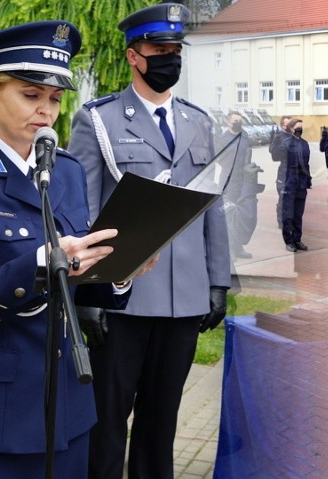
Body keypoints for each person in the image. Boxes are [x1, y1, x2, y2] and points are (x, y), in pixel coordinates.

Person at [0, 21, 137, 478]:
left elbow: (78, 288)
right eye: (31, 95)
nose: (46, 111)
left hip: (69, 406)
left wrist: (120, 270)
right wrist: (43, 260)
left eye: (55, 99)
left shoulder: (69, 172)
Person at [67, 4, 231, 478]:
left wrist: (216, 281)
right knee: (108, 417)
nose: (169, 60)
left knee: (163, 419)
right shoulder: (99, 120)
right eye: (160, 50)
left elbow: (211, 204)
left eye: (175, 51)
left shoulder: (198, 121)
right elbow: (83, 212)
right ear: (134, 56)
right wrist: (87, 294)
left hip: (184, 300)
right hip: (123, 299)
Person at [217, 111, 260, 260]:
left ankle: (238, 247)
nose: (238, 123)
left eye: (240, 121)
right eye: (235, 121)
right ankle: (229, 250)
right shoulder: (222, 139)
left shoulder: (245, 136)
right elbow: (219, 159)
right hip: (229, 181)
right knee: (229, 216)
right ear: (228, 122)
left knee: (241, 213)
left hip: (243, 180)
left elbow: (248, 155)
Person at [277, 118, 312, 252]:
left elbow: (306, 163)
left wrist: (308, 180)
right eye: (297, 127)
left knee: (298, 213)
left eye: (301, 127)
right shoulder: (285, 143)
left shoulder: (305, 144)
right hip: (289, 180)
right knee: (288, 212)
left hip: (301, 181)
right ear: (291, 129)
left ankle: (297, 239)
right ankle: (289, 240)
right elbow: (277, 158)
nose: (300, 130)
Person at [270, 115, 293, 228]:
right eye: (287, 124)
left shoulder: (294, 137)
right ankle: (281, 221)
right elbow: (274, 156)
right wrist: (274, 142)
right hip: (283, 172)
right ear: (282, 126)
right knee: (283, 198)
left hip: (294, 173)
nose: (289, 127)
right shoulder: (279, 137)